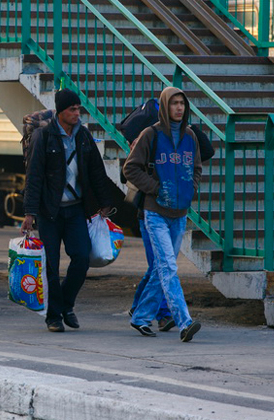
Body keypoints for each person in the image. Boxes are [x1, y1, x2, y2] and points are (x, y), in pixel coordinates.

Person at [21, 89, 115, 333]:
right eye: (72, 109)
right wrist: (30, 213)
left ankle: (66, 304)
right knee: (51, 265)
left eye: (78, 109)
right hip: (49, 212)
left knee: (82, 258)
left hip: (75, 210)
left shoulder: (83, 136)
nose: (77, 113)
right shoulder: (43, 137)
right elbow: (34, 177)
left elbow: (96, 170)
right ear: (61, 112)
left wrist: (105, 202)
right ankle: (54, 317)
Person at [123, 86, 202, 342]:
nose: (179, 108)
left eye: (182, 103)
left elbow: (197, 167)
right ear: (165, 106)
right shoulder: (151, 134)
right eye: (174, 103)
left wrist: (191, 189)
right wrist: (155, 188)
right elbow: (131, 168)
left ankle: (141, 317)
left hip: (179, 213)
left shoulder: (190, 136)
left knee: (161, 267)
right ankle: (184, 321)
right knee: (168, 265)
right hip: (155, 213)